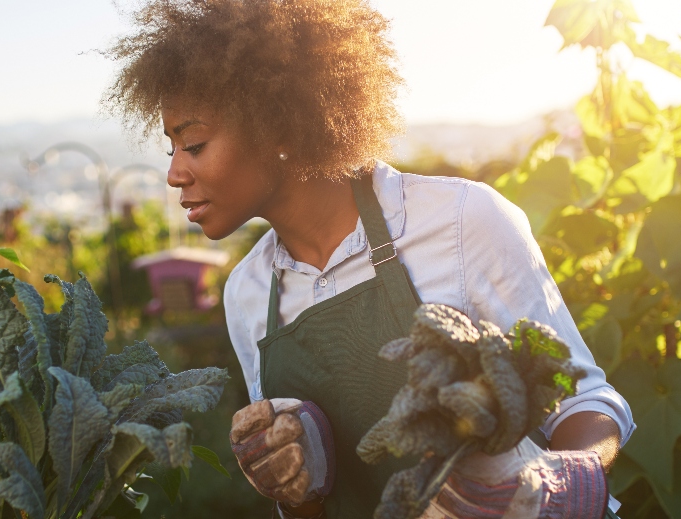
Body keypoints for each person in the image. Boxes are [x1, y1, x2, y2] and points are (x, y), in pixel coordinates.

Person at [104, 1, 634, 517]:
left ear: (281, 127)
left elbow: (585, 398)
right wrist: (294, 484)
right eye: (171, 148)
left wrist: (565, 481)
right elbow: (310, 504)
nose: (175, 173)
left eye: (193, 144)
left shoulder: (460, 220)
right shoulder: (247, 294)